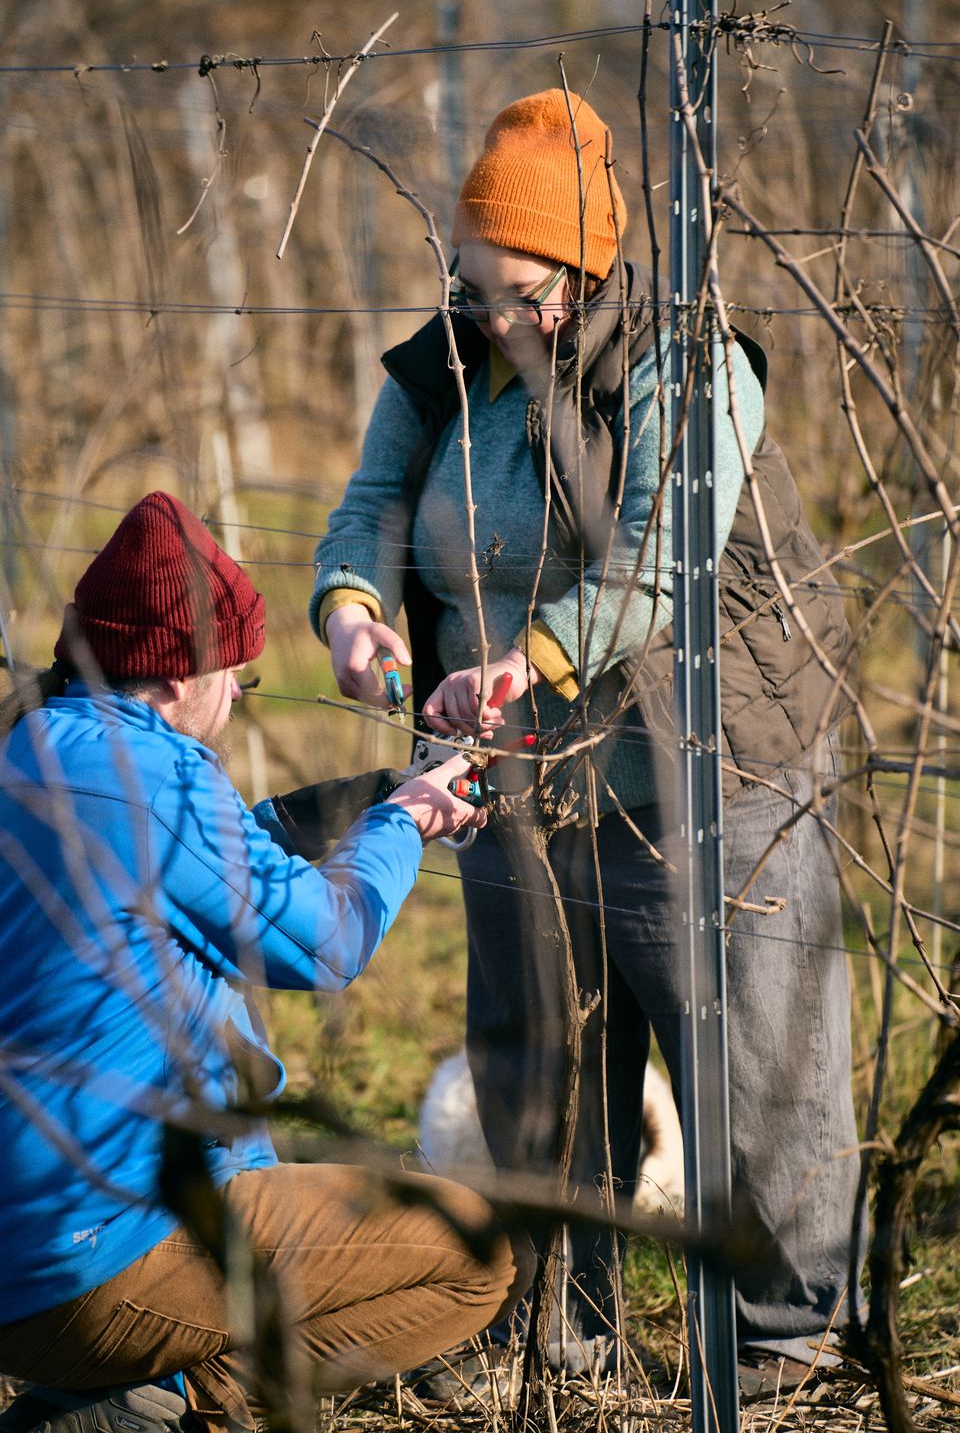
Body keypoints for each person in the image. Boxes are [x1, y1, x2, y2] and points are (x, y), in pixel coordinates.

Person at [309, 89, 860, 1392]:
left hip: (700, 773)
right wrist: (351, 609)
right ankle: (555, 1333)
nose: (495, 318)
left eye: (523, 293)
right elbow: (370, 507)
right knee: (536, 1056)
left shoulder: (688, 362)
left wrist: (534, 653)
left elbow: (666, 557)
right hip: (514, 777)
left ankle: (786, 1347)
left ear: (586, 266)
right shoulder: (448, 363)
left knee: (745, 1054)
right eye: (475, 285)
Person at [0, 491, 530, 1433]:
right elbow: (326, 940)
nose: (243, 690)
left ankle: (122, 1390)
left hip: (24, 1244)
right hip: (99, 1257)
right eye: (231, 671)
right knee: (475, 1254)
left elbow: (186, 871)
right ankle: (156, 1403)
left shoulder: (39, 745)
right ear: (171, 677)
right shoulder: (155, 778)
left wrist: (362, 800)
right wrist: (409, 819)